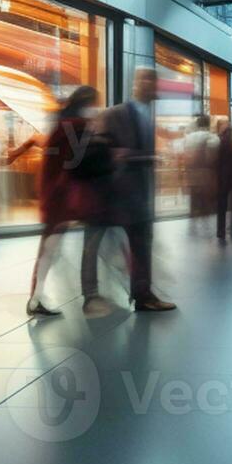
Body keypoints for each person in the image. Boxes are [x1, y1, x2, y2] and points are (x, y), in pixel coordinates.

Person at [84, 68, 177, 316]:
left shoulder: (147, 116)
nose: (153, 84)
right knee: (92, 245)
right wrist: (136, 156)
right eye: (147, 79)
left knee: (141, 245)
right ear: (135, 84)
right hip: (109, 194)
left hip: (137, 197)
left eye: (155, 80)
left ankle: (143, 295)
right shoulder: (114, 114)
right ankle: (90, 296)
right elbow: (100, 150)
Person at [25, 85, 106, 317]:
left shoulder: (60, 122)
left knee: (49, 249)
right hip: (62, 195)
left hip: (53, 193)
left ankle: (36, 297)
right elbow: (77, 161)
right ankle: (35, 299)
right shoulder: (77, 126)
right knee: (50, 249)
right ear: (88, 103)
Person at [182, 114, 219, 234]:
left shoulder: (189, 138)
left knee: (194, 200)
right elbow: (214, 157)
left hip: (192, 174)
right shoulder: (212, 137)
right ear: (208, 124)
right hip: (206, 174)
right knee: (206, 201)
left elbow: (185, 155)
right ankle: (207, 227)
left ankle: (192, 226)